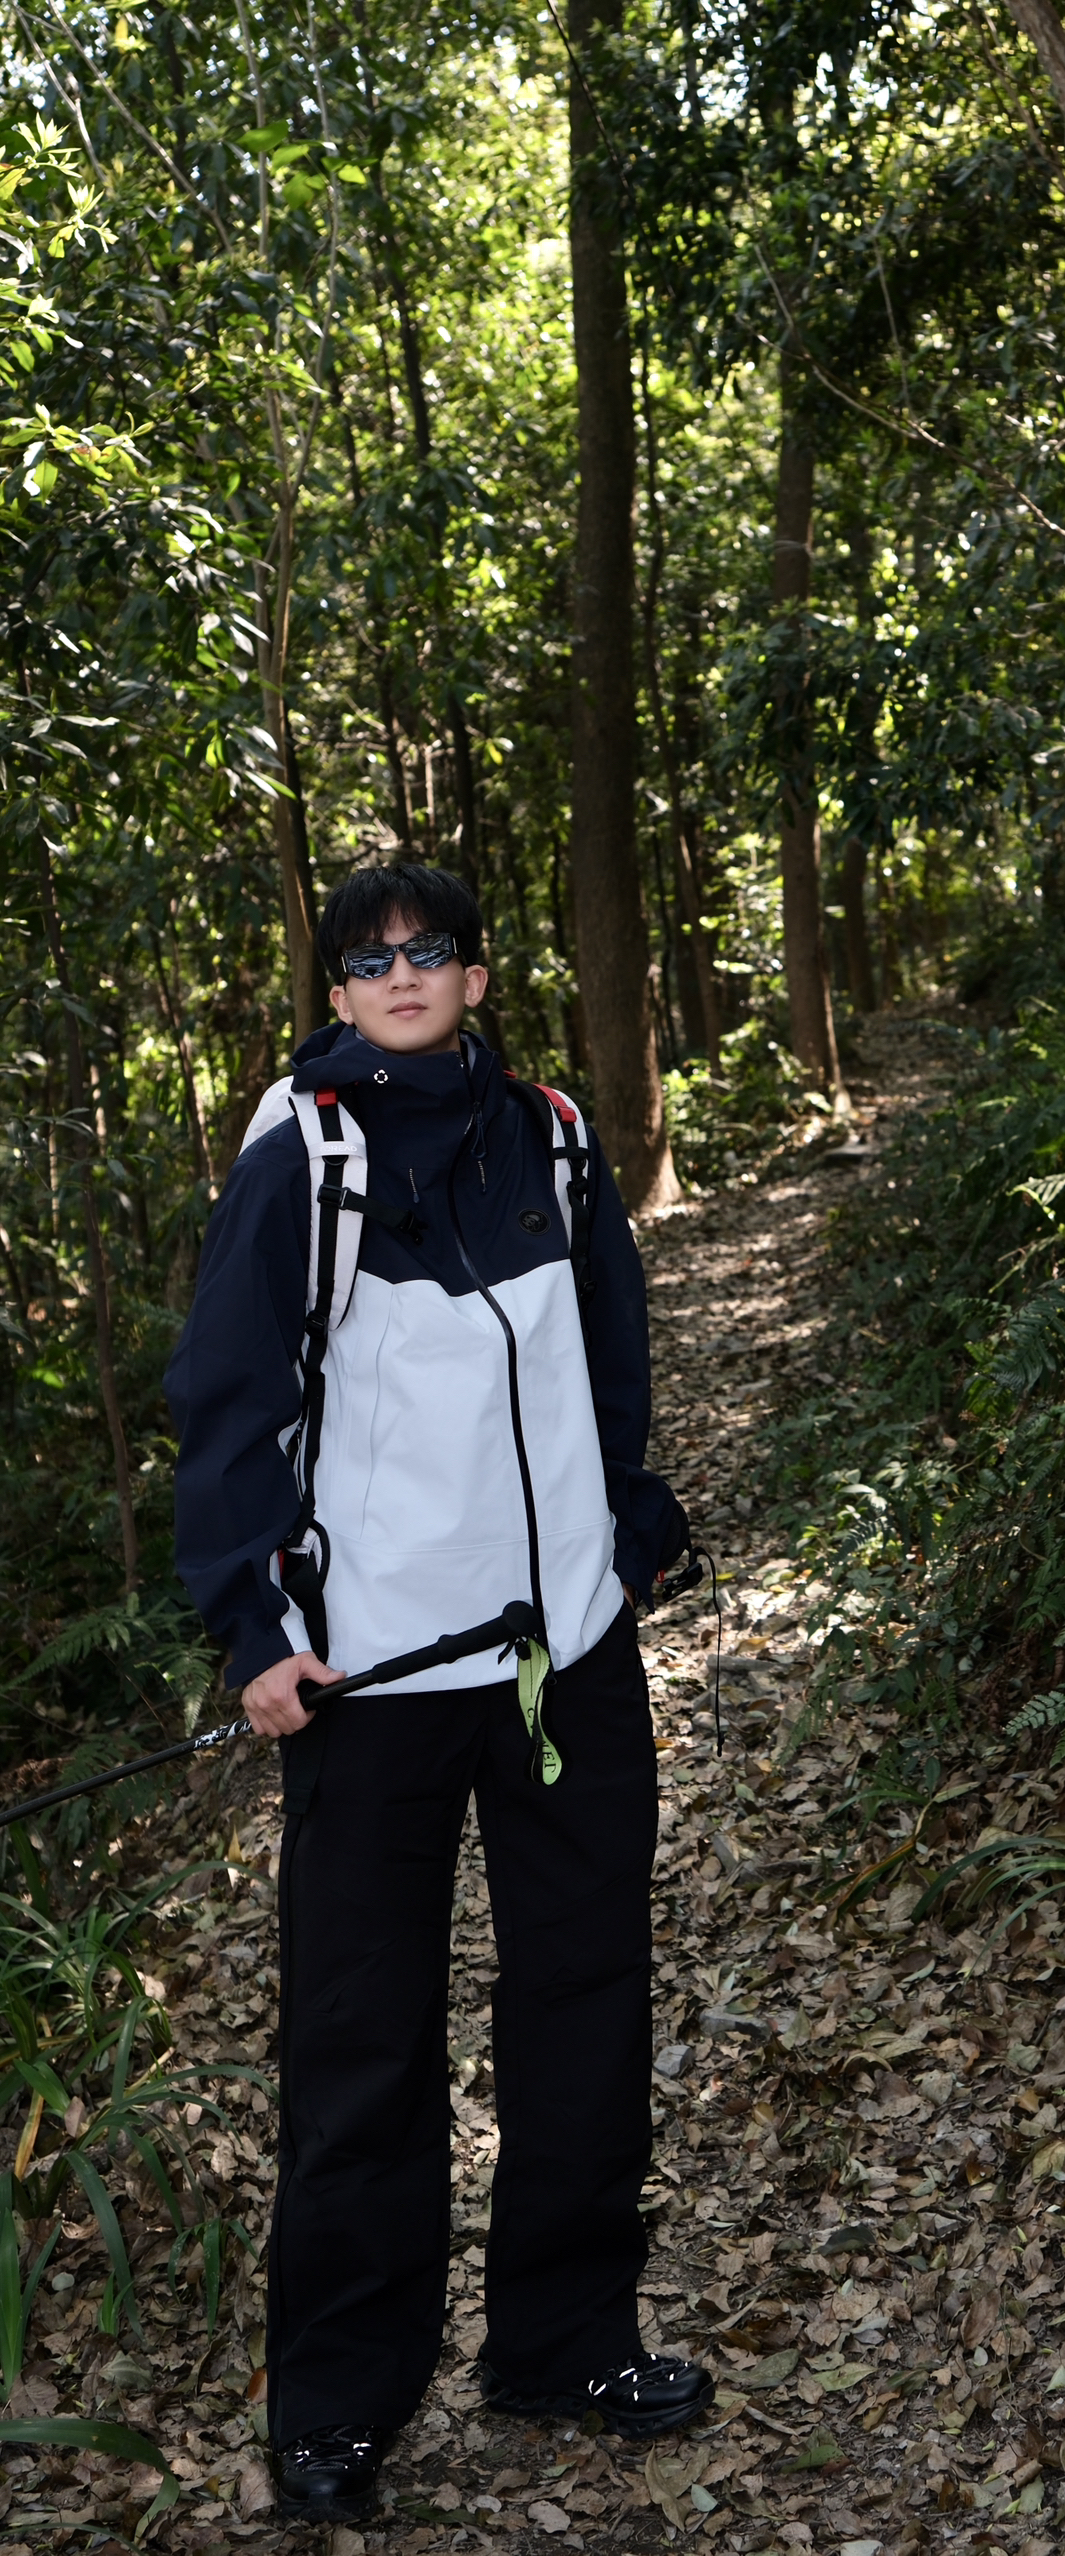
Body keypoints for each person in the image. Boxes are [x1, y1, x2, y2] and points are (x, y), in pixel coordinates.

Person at [165, 862, 710, 2524]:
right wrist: (253, 1624)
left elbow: (605, 1346)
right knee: (361, 2039)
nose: (400, 975)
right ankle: (339, 2401)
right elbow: (228, 1396)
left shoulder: (551, 1136)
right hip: (374, 1671)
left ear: (474, 978)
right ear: (338, 992)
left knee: (586, 2001)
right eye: (368, 959)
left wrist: (626, 1519)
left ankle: (565, 2338)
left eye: (430, 951)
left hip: (565, 1657)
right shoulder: (307, 1155)